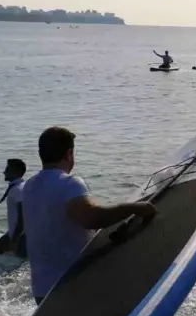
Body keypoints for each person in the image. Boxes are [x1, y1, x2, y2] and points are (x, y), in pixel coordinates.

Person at [22, 127, 156, 305]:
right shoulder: (69, 183)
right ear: (69, 154)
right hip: (73, 284)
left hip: (41, 289)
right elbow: (92, 218)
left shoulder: (29, 186)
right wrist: (135, 208)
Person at [0, 158, 27, 256]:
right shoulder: (19, 187)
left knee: (16, 264)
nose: (4, 172)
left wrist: (14, 240)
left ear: (15, 171)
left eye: (7, 169)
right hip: (13, 233)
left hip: (20, 236)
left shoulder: (18, 189)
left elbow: (23, 217)